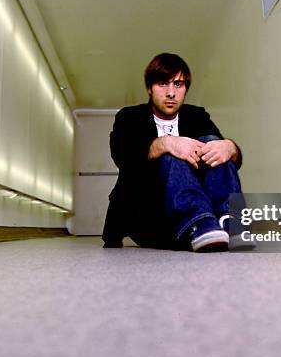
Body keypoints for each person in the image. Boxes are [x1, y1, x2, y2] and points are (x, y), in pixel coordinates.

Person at [102, 52, 243, 251]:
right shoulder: (130, 117)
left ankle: (231, 222)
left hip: (206, 211)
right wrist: (166, 144)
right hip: (150, 212)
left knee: (213, 143)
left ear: (185, 89)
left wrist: (230, 147)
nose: (171, 93)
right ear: (149, 89)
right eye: (162, 84)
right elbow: (123, 158)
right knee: (172, 153)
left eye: (178, 84)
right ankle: (197, 222)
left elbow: (223, 159)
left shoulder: (196, 116)